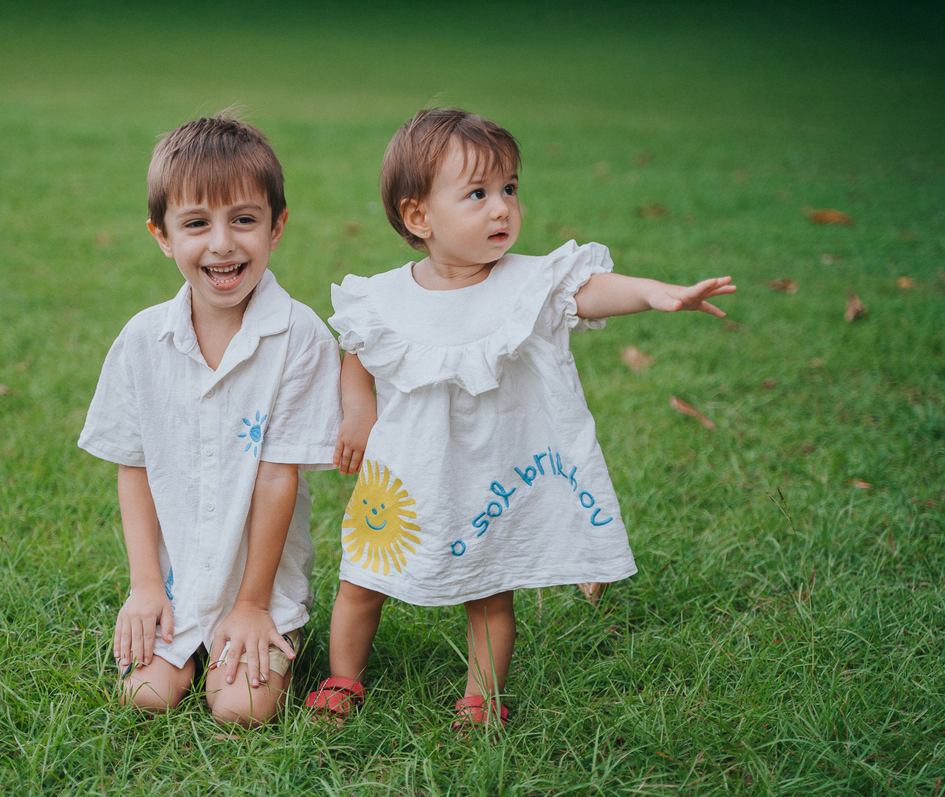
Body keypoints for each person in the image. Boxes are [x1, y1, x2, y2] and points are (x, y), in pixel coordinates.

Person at [305, 108, 735, 728]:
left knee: (489, 589)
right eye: (477, 194)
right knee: (363, 578)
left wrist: (655, 294)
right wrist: (358, 409)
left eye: (509, 188)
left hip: (490, 470)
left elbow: (590, 290)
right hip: (402, 478)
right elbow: (357, 350)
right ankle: (343, 679)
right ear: (418, 215)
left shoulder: (529, 284)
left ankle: (482, 694)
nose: (502, 207)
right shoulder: (383, 296)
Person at [79, 113, 342, 726]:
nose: (222, 243)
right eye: (197, 223)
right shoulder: (143, 340)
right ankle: (177, 626)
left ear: (276, 226)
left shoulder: (299, 337)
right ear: (163, 235)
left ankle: (272, 629)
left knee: (240, 710)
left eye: (243, 220)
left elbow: (278, 479)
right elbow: (134, 469)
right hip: (173, 580)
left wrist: (251, 605)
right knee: (145, 695)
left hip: (260, 581)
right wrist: (146, 585)